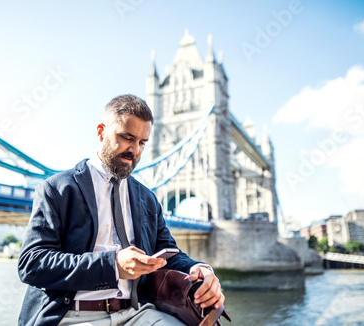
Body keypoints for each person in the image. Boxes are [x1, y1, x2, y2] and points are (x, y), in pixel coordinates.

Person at [18, 94, 224, 326]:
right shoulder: (57, 189)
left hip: (137, 312)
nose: (135, 150)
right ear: (100, 132)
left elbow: (169, 254)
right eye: (127, 137)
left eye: (142, 143)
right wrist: (113, 265)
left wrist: (200, 269)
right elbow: (32, 264)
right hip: (72, 315)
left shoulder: (147, 198)